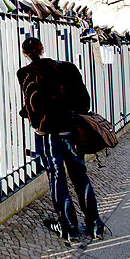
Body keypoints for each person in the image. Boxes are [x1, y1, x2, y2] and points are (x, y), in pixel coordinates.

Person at [17, 37, 105, 241]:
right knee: (80, 176)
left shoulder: (27, 72)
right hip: (73, 131)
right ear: (43, 49)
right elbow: (84, 101)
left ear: (25, 54)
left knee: (57, 179)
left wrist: (37, 125)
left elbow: (33, 104)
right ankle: (95, 225)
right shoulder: (68, 67)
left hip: (50, 134)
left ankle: (69, 227)